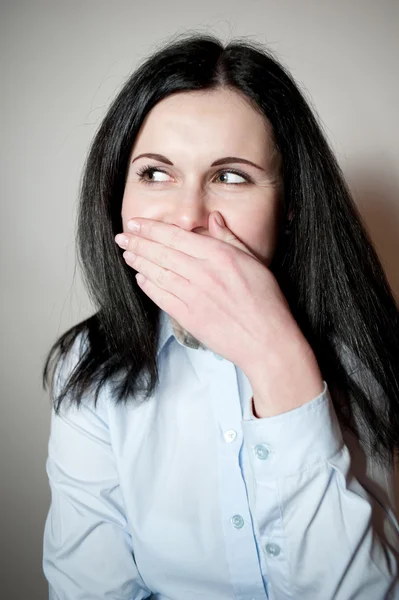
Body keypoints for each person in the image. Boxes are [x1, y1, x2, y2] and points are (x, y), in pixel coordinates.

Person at [42, 32, 399, 599]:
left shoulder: (363, 350)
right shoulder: (86, 370)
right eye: (156, 173)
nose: (188, 218)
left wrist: (279, 362)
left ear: (289, 209)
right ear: (118, 194)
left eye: (230, 176)